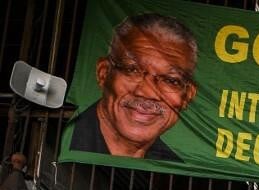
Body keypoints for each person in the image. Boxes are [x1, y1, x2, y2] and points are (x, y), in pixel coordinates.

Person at [69, 13, 197, 160]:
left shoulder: (172, 171)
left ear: (187, 96)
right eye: (132, 70)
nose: (148, 92)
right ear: (103, 73)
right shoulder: (58, 139)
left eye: (170, 80)